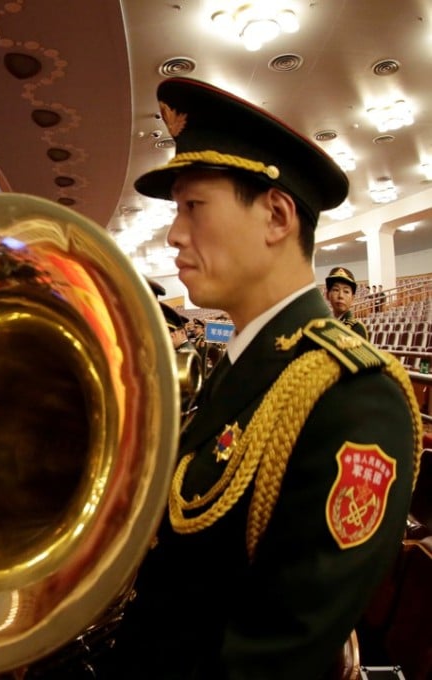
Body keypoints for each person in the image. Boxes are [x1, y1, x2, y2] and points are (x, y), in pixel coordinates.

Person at [103, 77, 419, 678]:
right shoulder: (243, 364)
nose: (173, 235)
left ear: (276, 215)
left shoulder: (355, 395)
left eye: (194, 207)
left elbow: (276, 655)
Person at [325, 266, 368, 340]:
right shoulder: (323, 325)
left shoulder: (357, 328)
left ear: (352, 298)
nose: (340, 296)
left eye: (346, 291)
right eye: (336, 290)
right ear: (327, 295)